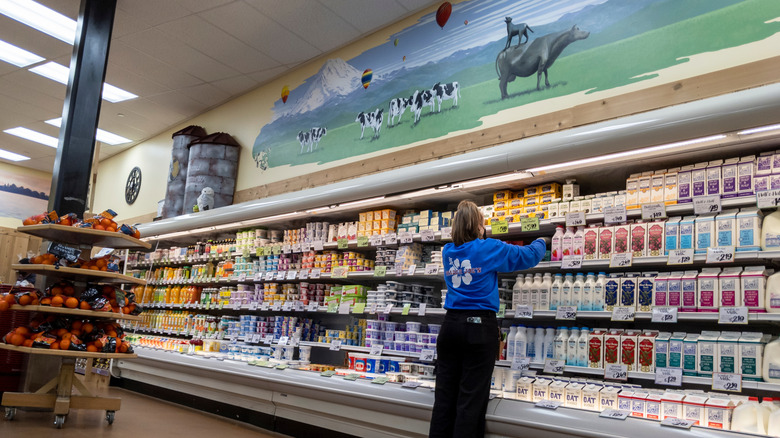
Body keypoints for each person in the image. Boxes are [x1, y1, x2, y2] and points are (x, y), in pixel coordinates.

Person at [429, 200, 547, 438]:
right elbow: (528, 257)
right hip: (479, 328)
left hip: (450, 327)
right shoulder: (488, 248)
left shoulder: (448, 251)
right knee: (470, 400)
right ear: (478, 226)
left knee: (444, 398)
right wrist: (542, 239)